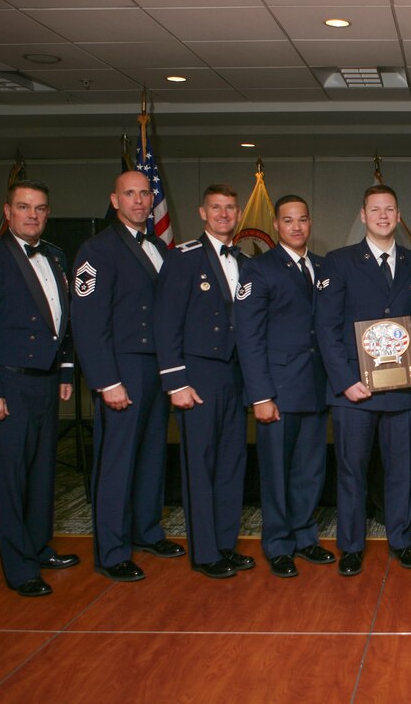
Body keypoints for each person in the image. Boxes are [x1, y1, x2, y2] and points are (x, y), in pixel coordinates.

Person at [0, 179, 79, 596]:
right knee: (9, 478)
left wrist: (63, 371)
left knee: (42, 472)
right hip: (5, 382)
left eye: (40, 208)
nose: (32, 215)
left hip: (43, 382)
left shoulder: (57, 255)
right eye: (24, 207)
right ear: (7, 212)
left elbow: (61, 323)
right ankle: (19, 566)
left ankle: (39, 546)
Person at [72, 171, 184, 583]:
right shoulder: (96, 250)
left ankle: (147, 530)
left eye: (144, 193)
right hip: (122, 369)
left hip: (156, 368)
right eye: (129, 194)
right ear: (115, 200)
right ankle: (112, 551)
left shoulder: (157, 246)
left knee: (152, 455)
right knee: (116, 464)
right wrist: (106, 380)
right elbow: (87, 322)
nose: (138, 201)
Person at [315, 185, 411, 576]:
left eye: (390, 209)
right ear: (363, 216)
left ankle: (401, 541)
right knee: (352, 471)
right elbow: (326, 327)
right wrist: (345, 380)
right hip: (355, 392)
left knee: (401, 470)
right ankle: (350, 546)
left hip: (402, 390)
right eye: (375, 210)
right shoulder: (338, 262)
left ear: (399, 216)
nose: (383, 216)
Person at [154, 183, 254, 579]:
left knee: (232, 463)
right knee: (201, 464)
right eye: (216, 208)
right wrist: (176, 381)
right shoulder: (183, 258)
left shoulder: (245, 261)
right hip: (198, 377)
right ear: (202, 212)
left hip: (235, 375)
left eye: (230, 208)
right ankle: (206, 552)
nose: (224, 214)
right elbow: (165, 321)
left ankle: (226, 544)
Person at [235, 194, 335, 578]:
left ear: (311, 223)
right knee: (276, 471)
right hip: (276, 391)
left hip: (315, 386)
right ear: (276, 225)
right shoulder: (259, 269)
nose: (296, 227)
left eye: (303, 219)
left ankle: (305, 537)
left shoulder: (323, 267)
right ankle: (278, 544)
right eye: (288, 220)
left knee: (309, 470)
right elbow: (249, 337)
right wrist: (260, 394)